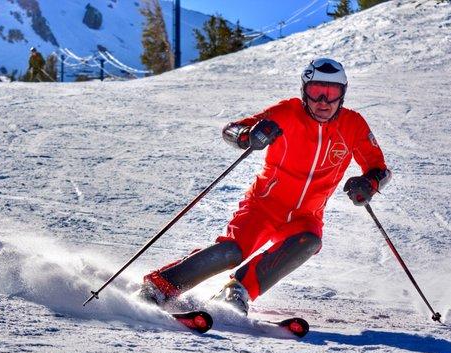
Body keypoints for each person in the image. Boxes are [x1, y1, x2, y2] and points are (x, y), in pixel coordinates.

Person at [141, 58, 392, 315]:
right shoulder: (287, 112)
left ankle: (237, 291)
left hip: (306, 217)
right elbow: (233, 129)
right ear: (305, 91)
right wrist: (249, 136)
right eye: (316, 92)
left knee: (309, 242)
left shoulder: (353, 125)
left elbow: (380, 169)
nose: (323, 102)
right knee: (231, 251)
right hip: (264, 206)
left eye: (332, 94)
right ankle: (160, 286)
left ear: (343, 94)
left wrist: (368, 184)